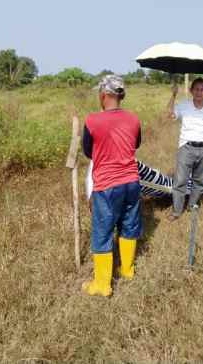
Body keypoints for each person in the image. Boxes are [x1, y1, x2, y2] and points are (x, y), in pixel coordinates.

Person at [81, 74, 142, 297]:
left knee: (102, 232)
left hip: (107, 185)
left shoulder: (92, 121)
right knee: (129, 225)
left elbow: (88, 151)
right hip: (132, 182)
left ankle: (102, 284)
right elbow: (136, 144)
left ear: (104, 95)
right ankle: (127, 270)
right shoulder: (134, 118)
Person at [167, 77, 203, 220]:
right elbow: (170, 115)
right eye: (197, 89)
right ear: (191, 91)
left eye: (202, 89)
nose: (199, 92)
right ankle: (176, 211)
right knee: (180, 180)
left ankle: (192, 205)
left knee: (199, 180)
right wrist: (173, 95)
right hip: (187, 148)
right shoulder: (183, 105)